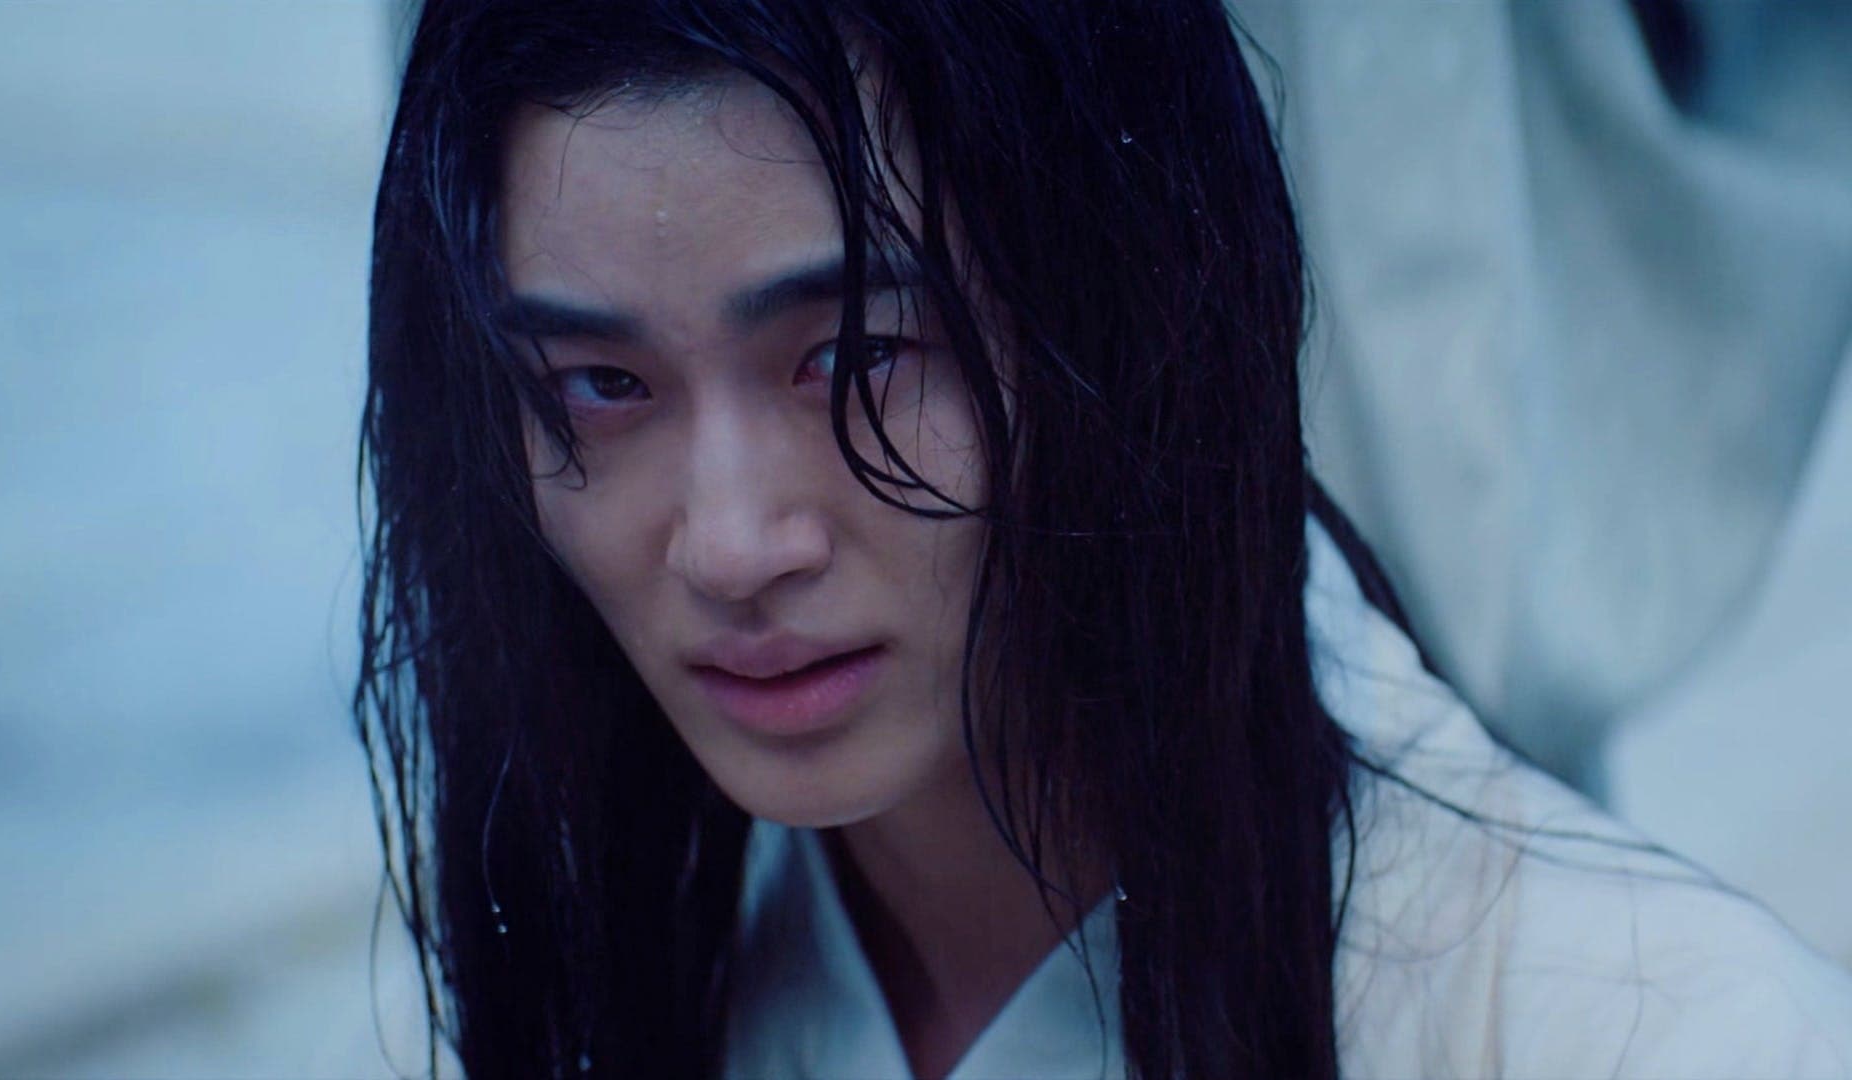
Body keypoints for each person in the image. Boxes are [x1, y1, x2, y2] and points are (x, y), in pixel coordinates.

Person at [354, 1, 1852, 1077]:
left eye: (860, 356)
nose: (734, 546)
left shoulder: (1661, 1033)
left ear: (1122, 322)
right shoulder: (582, 979)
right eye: (599, 386)